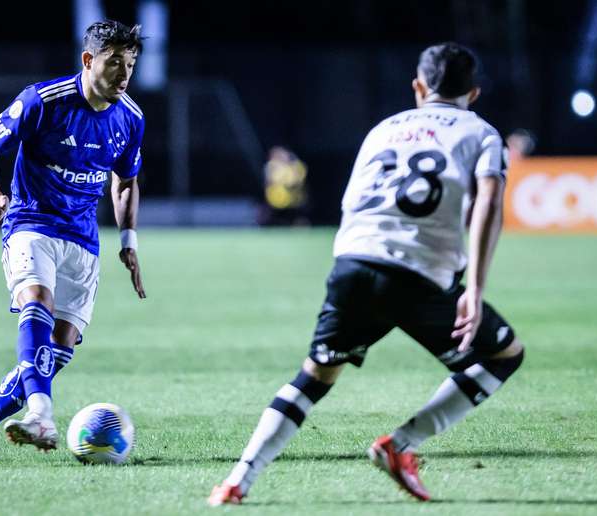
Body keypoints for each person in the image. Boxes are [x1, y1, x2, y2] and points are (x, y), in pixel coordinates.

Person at [209, 42, 525, 504]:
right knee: (503, 356)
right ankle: (400, 446)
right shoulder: (481, 133)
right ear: (473, 94)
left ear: (418, 87)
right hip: (419, 272)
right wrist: (473, 286)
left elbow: (351, 200)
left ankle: (238, 479)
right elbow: (490, 201)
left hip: (354, 262)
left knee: (315, 375)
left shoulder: (384, 129)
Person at [0, 20, 147, 462]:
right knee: (37, 299)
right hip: (31, 224)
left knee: (55, 350)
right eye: (115, 63)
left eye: (130, 64)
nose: (124, 74)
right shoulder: (43, 101)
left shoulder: (131, 118)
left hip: (83, 240)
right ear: (88, 60)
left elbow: (126, 181)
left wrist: (128, 240)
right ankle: (41, 415)